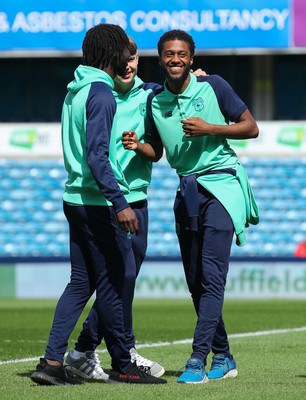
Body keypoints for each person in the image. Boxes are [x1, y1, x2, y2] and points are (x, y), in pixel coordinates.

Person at [30, 24, 166, 386]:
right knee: (114, 282)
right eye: (124, 48)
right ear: (112, 52)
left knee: (80, 283)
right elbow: (97, 156)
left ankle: (52, 362)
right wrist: (119, 202)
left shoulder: (75, 90)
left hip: (74, 198)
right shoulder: (102, 93)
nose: (129, 55)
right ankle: (123, 363)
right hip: (97, 201)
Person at [122, 29, 259, 384]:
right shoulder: (155, 102)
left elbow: (251, 127)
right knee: (196, 281)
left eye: (182, 54)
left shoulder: (213, 86)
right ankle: (225, 357)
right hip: (187, 192)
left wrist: (211, 128)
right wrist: (139, 146)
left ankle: (198, 360)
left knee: (212, 277)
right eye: (169, 54)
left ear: (192, 59)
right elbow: (158, 151)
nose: (176, 59)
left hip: (222, 185)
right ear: (161, 58)